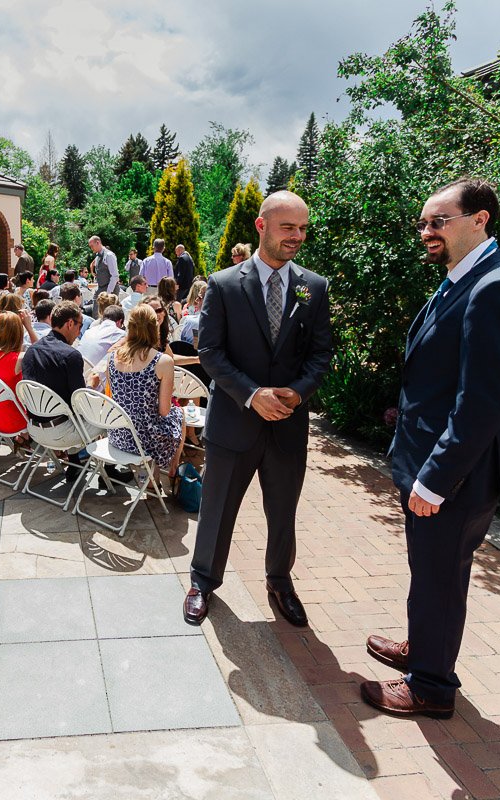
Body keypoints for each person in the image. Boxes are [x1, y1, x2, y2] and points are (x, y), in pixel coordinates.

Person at [361, 179, 500, 720]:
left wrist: (435, 478)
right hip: (426, 464)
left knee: (440, 576)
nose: (427, 232)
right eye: (423, 223)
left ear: (480, 219)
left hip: (454, 476)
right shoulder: (460, 280)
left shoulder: (497, 288)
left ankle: (431, 687)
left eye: (438, 221)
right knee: (430, 570)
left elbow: (481, 402)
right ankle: (423, 648)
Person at [183, 191, 332, 629]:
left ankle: (280, 582)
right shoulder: (225, 284)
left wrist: (297, 393)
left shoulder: (312, 286)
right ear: (261, 226)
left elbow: (320, 354)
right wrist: (252, 395)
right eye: (289, 227)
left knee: (283, 512)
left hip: (287, 424)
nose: (298, 237)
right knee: (217, 508)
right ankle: (202, 582)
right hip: (234, 422)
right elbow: (210, 351)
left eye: (303, 228)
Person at [107, 304, 184, 481]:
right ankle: (173, 467)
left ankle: (151, 477)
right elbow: (164, 411)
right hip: (144, 441)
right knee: (179, 413)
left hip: (118, 435)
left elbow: (117, 396)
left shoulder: (112, 357)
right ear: (154, 327)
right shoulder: (162, 361)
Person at [21, 301, 85, 421]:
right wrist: (92, 385)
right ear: (70, 324)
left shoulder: (31, 351)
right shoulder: (71, 356)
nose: (79, 332)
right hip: (63, 426)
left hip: (34, 425)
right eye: (80, 326)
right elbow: (81, 402)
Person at [176, 281, 207, 346]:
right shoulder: (225, 321)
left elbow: (183, 341)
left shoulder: (190, 320)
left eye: (199, 298)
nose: (196, 300)